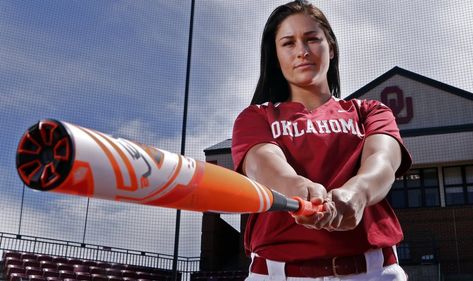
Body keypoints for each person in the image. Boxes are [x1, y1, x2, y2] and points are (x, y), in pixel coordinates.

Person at [231, 1, 412, 280]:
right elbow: (263, 164)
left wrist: (358, 193)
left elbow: (383, 162)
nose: (302, 51)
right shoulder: (256, 117)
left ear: (331, 46)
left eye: (312, 39)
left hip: (374, 272)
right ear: (275, 55)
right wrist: (296, 188)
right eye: (288, 43)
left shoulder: (370, 111)